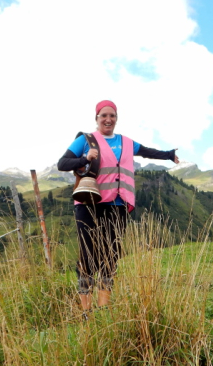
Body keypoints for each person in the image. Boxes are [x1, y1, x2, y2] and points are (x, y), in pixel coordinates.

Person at [57, 100, 179, 316]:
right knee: (88, 256)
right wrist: (84, 158)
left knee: (111, 256)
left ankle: (103, 310)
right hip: (89, 204)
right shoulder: (85, 140)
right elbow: (62, 163)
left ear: (116, 118)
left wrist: (168, 155)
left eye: (112, 115)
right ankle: (86, 312)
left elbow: (147, 151)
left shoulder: (126, 142)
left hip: (118, 205)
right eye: (103, 115)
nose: (108, 119)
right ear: (96, 118)